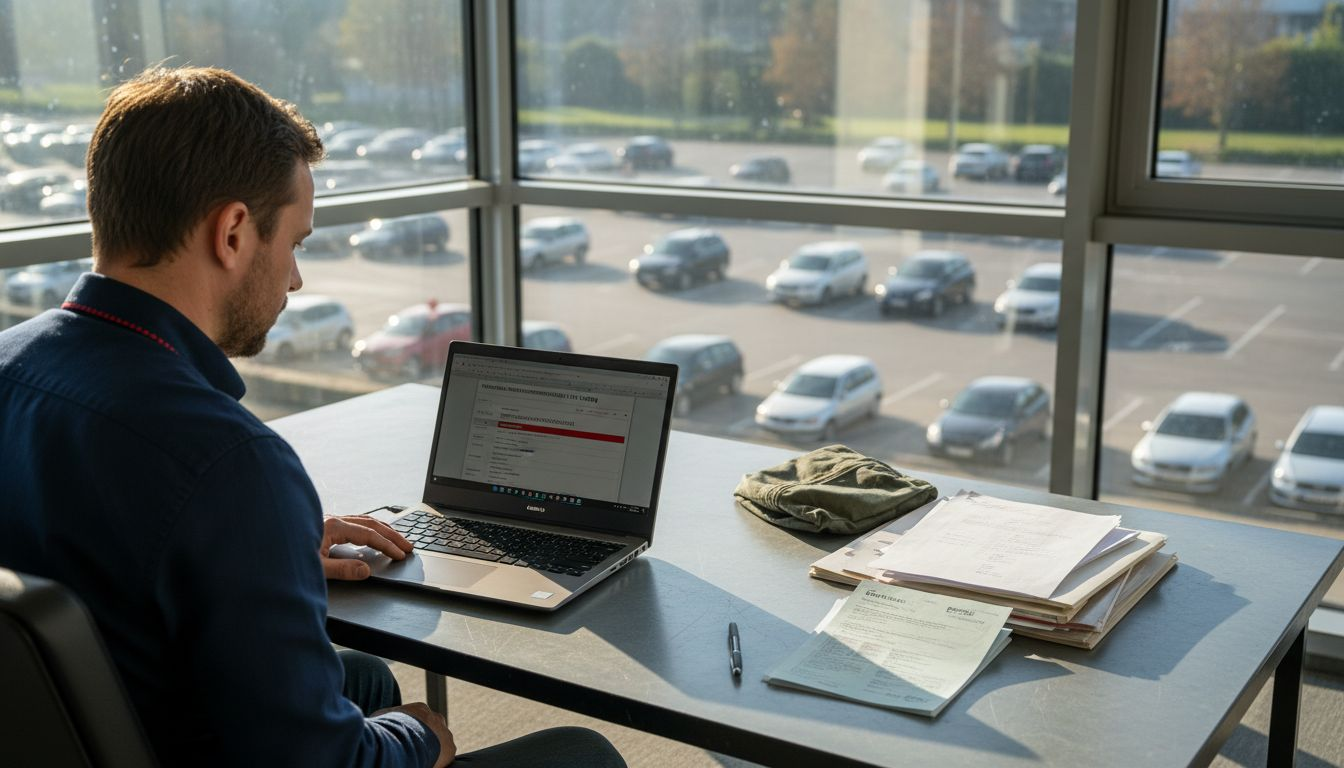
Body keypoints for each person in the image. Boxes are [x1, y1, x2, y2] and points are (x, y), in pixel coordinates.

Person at [0, 66, 624, 768]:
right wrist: (424, 737)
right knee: (579, 751)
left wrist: (268, 551)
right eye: (295, 242)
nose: (296, 278)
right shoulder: (227, 460)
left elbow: (99, 547)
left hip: (70, 727)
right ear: (233, 232)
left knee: (365, 677)